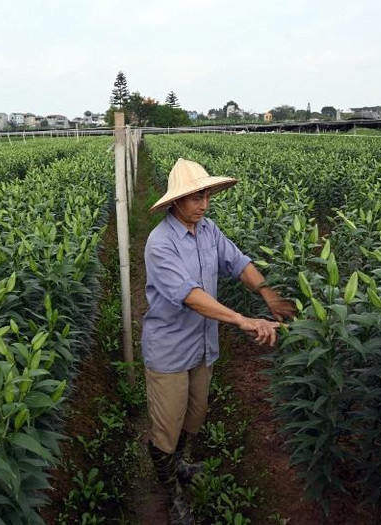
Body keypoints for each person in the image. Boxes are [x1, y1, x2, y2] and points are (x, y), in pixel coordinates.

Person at [143, 158, 295, 524]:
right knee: (166, 428)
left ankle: (180, 465)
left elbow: (239, 263)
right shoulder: (160, 243)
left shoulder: (208, 231)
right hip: (169, 348)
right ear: (175, 202)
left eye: (206, 195)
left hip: (203, 345)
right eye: (195, 197)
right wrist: (242, 319)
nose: (203, 204)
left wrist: (268, 295)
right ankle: (172, 494)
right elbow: (191, 295)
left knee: (194, 415)